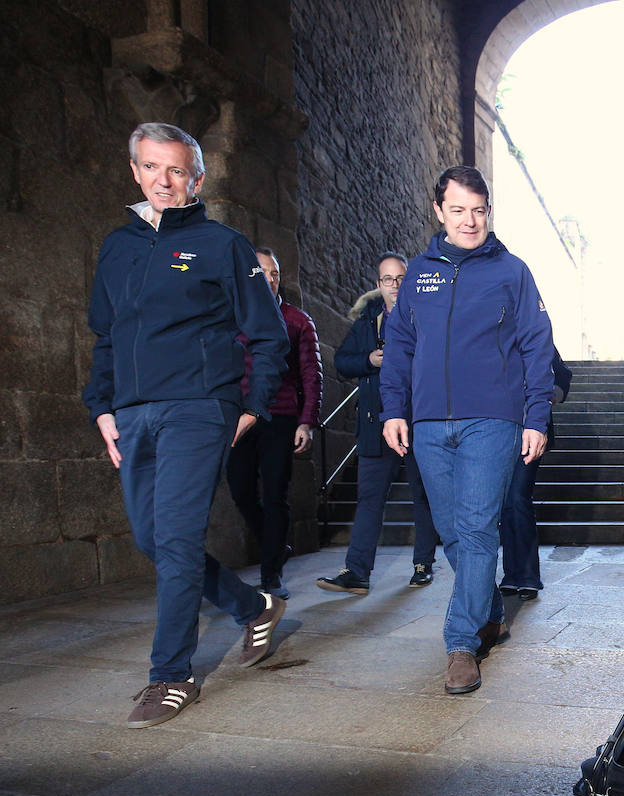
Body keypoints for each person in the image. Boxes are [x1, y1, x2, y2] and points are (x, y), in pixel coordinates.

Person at [82, 122, 291, 728]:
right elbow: (106, 336)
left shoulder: (221, 244)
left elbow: (267, 331)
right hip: (133, 409)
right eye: (151, 168)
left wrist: (252, 402)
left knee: (174, 539)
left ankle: (170, 675)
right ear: (135, 171)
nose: (163, 181)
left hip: (200, 405)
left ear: (197, 178)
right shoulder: (117, 246)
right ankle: (253, 608)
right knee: (153, 540)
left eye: (176, 170)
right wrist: (101, 406)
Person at [381, 165, 555, 694]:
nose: (469, 220)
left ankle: (461, 643)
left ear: (488, 211)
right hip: (430, 421)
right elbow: (401, 347)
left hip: (493, 420)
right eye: (458, 210)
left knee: (478, 529)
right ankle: (490, 610)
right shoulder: (418, 273)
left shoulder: (512, 271)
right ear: (439, 212)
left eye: (479, 210)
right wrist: (394, 408)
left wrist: (536, 415)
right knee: (453, 532)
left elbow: (536, 345)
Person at [317, 252, 439, 594]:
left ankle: (423, 564)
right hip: (375, 424)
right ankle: (357, 572)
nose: (395, 285)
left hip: (417, 421)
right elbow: (342, 361)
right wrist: (370, 359)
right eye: (388, 279)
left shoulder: (425, 316)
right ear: (378, 285)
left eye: (400, 278)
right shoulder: (367, 321)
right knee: (369, 499)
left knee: (423, 495)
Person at [226, 247, 322, 599]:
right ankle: (277, 544)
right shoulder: (232, 318)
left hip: (280, 417)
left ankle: (271, 574)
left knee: (276, 493)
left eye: (274, 272)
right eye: (260, 271)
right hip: (239, 419)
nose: (268, 278)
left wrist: (306, 422)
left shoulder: (297, 320)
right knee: (240, 491)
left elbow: (311, 375)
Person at [498, 349, 572, 601]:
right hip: (497, 430)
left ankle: (528, 576)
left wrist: (547, 395)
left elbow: (562, 375)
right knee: (506, 502)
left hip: (532, 429)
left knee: (518, 497)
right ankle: (511, 574)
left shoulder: (536, 333)